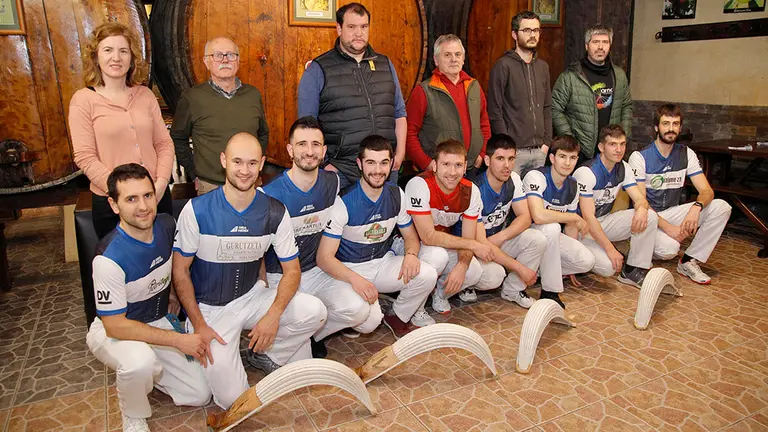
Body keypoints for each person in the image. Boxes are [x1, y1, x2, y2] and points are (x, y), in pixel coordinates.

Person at [172, 133, 327, 409]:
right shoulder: (196, 210)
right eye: (237, 162)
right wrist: (198, 324)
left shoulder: (275, 211)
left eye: (252, 163)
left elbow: (292, 270)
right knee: (234, 400)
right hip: (210, 310)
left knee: (315, 310)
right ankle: (223, 360)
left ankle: (268, 355)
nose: (244, 171)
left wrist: (273, 316)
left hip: (252, 296)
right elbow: (180, 272)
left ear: (262, 164)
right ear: (224, 161)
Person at [85, 164, 210, 432]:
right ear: (114, 204)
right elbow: (114, 325)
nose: (143, 206)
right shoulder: (107, 258)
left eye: (147, 195)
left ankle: (147, 374)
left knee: (199, 394)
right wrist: (178, 340)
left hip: (157, 321)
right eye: (131, 199)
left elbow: (175, 266)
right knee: (139, 361)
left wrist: (174, 293)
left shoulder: (166, 224)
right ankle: (133, 412)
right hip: (115, 330)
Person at [262, 117, 370, 356]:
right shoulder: (268, 195)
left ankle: (312, 334)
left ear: (323, 151)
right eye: (301, 144)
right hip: (279, 275)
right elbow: (256, 252)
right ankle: (273, 348)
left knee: (361, 310)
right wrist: (262, 289)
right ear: (290, 150)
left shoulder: (333, 182)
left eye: (315, 145)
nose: (309, 152)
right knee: (303, 358)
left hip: (315, 270)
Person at [317, 135, 438, 337]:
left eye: (383, 163)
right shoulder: (344, 202)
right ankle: (321, 331)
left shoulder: (396, 194)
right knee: (369, 322)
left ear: (391, 164)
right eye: (370, 163)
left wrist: (411, 255)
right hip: (351, 269)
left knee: (427, 274)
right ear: (360, 164)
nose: (377, 170)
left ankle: (397, 316)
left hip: (382, 263)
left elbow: (411, 237)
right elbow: (324, 257)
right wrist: (355, 279)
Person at [70, 22, 174, 239]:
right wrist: (120, 193)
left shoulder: (145, 95)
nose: (116, 57)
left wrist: (161, 184)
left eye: (123, 51)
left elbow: (164, 143)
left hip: (155, 195)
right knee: (122, 268)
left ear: (132, 58)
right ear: (96, 57)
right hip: (112, 202)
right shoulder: (83, 100)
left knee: (161, 262)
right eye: (108, 50)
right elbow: (85, 157)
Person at [297, 2, 407, 189]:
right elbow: (306, 126)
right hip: (342, 172)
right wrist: (324, 165)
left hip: (385, 170)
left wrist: (400, 153)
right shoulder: (319, 69)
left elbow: (399, 113)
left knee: (387, 219)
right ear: (339, 28)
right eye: (352, 27)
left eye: (364, 27)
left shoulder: (385, 64)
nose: (359, 33)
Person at [628, 104, 732, 284]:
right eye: (665, 123)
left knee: (722, 207)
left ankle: (688, 261)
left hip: (673, 212)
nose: (670, 129)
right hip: (649, 217)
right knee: (669, 250)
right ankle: (640, 246)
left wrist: (696, 208)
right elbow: (641, 202)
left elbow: (706, 191)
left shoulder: (686, 154)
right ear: (656, 127)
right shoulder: (640, 157)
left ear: (680, 128)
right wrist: (670, 228)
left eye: (675, 124)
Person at [405, 140, 504, 314]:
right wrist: (473, 245)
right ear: (434, 165)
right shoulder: (419, 184)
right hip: (411, 246)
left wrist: (463, 265)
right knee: (438, 256)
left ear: (465, 167)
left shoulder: (471, 190)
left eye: (458, 165)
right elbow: (428, 236)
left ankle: (440, 294)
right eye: (446, 164)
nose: (452, 172)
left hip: (444, 245)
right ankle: (415, 308)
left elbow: (468, 236)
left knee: (474, 270)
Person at [171, 37, 269, 195]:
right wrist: (193, 171)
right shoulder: (192, 98)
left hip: (248, 183)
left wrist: (255, 165)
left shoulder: (253, 94)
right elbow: (178, 138)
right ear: (206, 62)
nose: (225, 60)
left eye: (231, 55)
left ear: (238, 60)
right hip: (210, 186)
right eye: (217, 55)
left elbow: (263, 133)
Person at [573, 125, 657, 287]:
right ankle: (582, 256)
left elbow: (640, 198)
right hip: (581, 230)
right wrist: (610, 249)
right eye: (613, 144)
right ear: (601, 147)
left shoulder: (623, 167)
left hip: (604, 221)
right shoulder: (587, 172)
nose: (619, 149)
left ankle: (632, 270)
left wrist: (641, 208)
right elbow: (588, 218)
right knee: (608, 268)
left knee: (650, 215)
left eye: (622, 144)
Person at [469, 134, 546, 308]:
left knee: (537, 238)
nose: (507, 165)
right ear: (487, 160)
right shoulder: (475, 188)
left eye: (511, 159)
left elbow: (525, 217)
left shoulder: (514, 179)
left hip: (494, 240)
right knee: (494, 277)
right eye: (500, 159)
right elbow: (481, 242)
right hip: (475, 248)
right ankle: (466, 285)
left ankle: (513, 290)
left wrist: (501, 237)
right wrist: (521, 269)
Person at [523, 136, 596, 308]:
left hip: (551, 237)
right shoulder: (536, 176)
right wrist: (575, 217)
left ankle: (546, 270)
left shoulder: (573, 185)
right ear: (552, 158)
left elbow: (570, 229)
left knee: (586, 261)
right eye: (562, 156)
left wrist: (567, 262)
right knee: (551, 227)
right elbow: (538, 216)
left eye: (572, 158)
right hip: (527, 236)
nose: (567, 163)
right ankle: (550, 292)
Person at [405, 34, 491, 175]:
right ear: (436, 60)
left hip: (471, 169)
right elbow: (409, 133)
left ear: (463, 59)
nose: (453, 59)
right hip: (439, 171)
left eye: (458, 54)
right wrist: (427, 163)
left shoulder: (474, 86)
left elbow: (484, 125)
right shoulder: (423, 91)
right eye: (447, 55)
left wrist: (481, 154)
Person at [552, 24, 632, 164]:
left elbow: (626, 106)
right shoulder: (570, 77)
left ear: (610, 45)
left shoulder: (619, 75)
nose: (600, 47)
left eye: (605, 42)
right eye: (595, 42)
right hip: (581, 151)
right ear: (586, 45)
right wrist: (571, 141)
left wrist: (621, 137)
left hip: (610, 150)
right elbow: (555, 109)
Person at [487, 11, 552, 178]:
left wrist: (547, 142)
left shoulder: (543, 67)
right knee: (512, 200)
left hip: (540, 151)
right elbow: (495, 110)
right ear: (514, 34)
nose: (532, 35)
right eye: (527, 30)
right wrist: (508, 147)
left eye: (536, 30)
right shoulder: (503, 66)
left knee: (534, 200)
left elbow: (547, 107)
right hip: (515, 152)